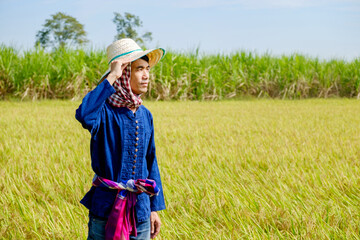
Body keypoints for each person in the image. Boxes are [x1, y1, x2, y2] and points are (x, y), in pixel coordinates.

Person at [75, 38, 166, 240]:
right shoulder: (104, 112)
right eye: (139, 69)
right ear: (125, 73)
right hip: (106, 210)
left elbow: (151, 161)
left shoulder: (145, 115)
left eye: (148, 69)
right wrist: (113, 74)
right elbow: (84, 115)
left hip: (140, 212)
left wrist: (154, 209)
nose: (146, 75)